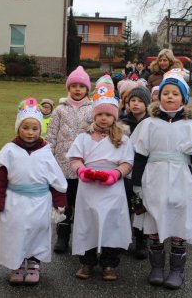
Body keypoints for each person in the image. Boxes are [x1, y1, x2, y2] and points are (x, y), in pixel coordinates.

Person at [130, 69, 192, 289]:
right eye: (165, 92)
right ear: (159, 96)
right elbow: (140, 156)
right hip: (154, 179)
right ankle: (156, 268)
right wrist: (137, 183)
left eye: (175, 93)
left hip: (180, 180)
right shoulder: (148, 124)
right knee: (155, 224)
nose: (169, 96)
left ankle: (177, 270)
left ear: (183, 99)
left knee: (178, 224)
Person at [0, 98, 67, 285]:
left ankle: (33, 263)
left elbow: (55, 179)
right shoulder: (9, 150)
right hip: (14, 201)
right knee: (15, 231)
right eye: (25, 128)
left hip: (39, 201)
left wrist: (60, 201)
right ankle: (15, 263)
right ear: (18, 128)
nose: (30, 132)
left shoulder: (45, 151)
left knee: (36, 231)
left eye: (34, 128)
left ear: (40, 130)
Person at [67, 74, 134, 281]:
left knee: (112, 223)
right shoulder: (84, 137)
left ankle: (109, 263)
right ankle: (86, 262)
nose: (103, 118)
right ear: (94, 116)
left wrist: (117, 174)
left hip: (112, 189)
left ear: (115, 117)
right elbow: (75, 157)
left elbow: (127, 162)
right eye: (100, 114)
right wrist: (81, 171)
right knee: (88, 223)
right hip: (89, 188)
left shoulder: (122, 139)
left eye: (108, 115)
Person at [46, 66, 94, 253]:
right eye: (73, 85)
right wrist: (48, 157)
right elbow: (51, 135)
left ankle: (82, 238)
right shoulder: (59, 110)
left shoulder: (93, 109)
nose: (77, 89)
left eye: (81, 86)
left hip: (83, 165)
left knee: (80, 204)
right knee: (63, 204)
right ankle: (62, 236)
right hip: (62, 165)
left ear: (87, 89)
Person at [120, 86, 152, 259]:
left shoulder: (151, 123)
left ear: (147, 104)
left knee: (141, 206)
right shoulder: (122, 123)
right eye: (133, 100)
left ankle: (141, 240)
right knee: (125, 205)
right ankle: (124, 238)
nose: (136, 104)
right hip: (126, 170)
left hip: (145, 170)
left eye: (140, 101)